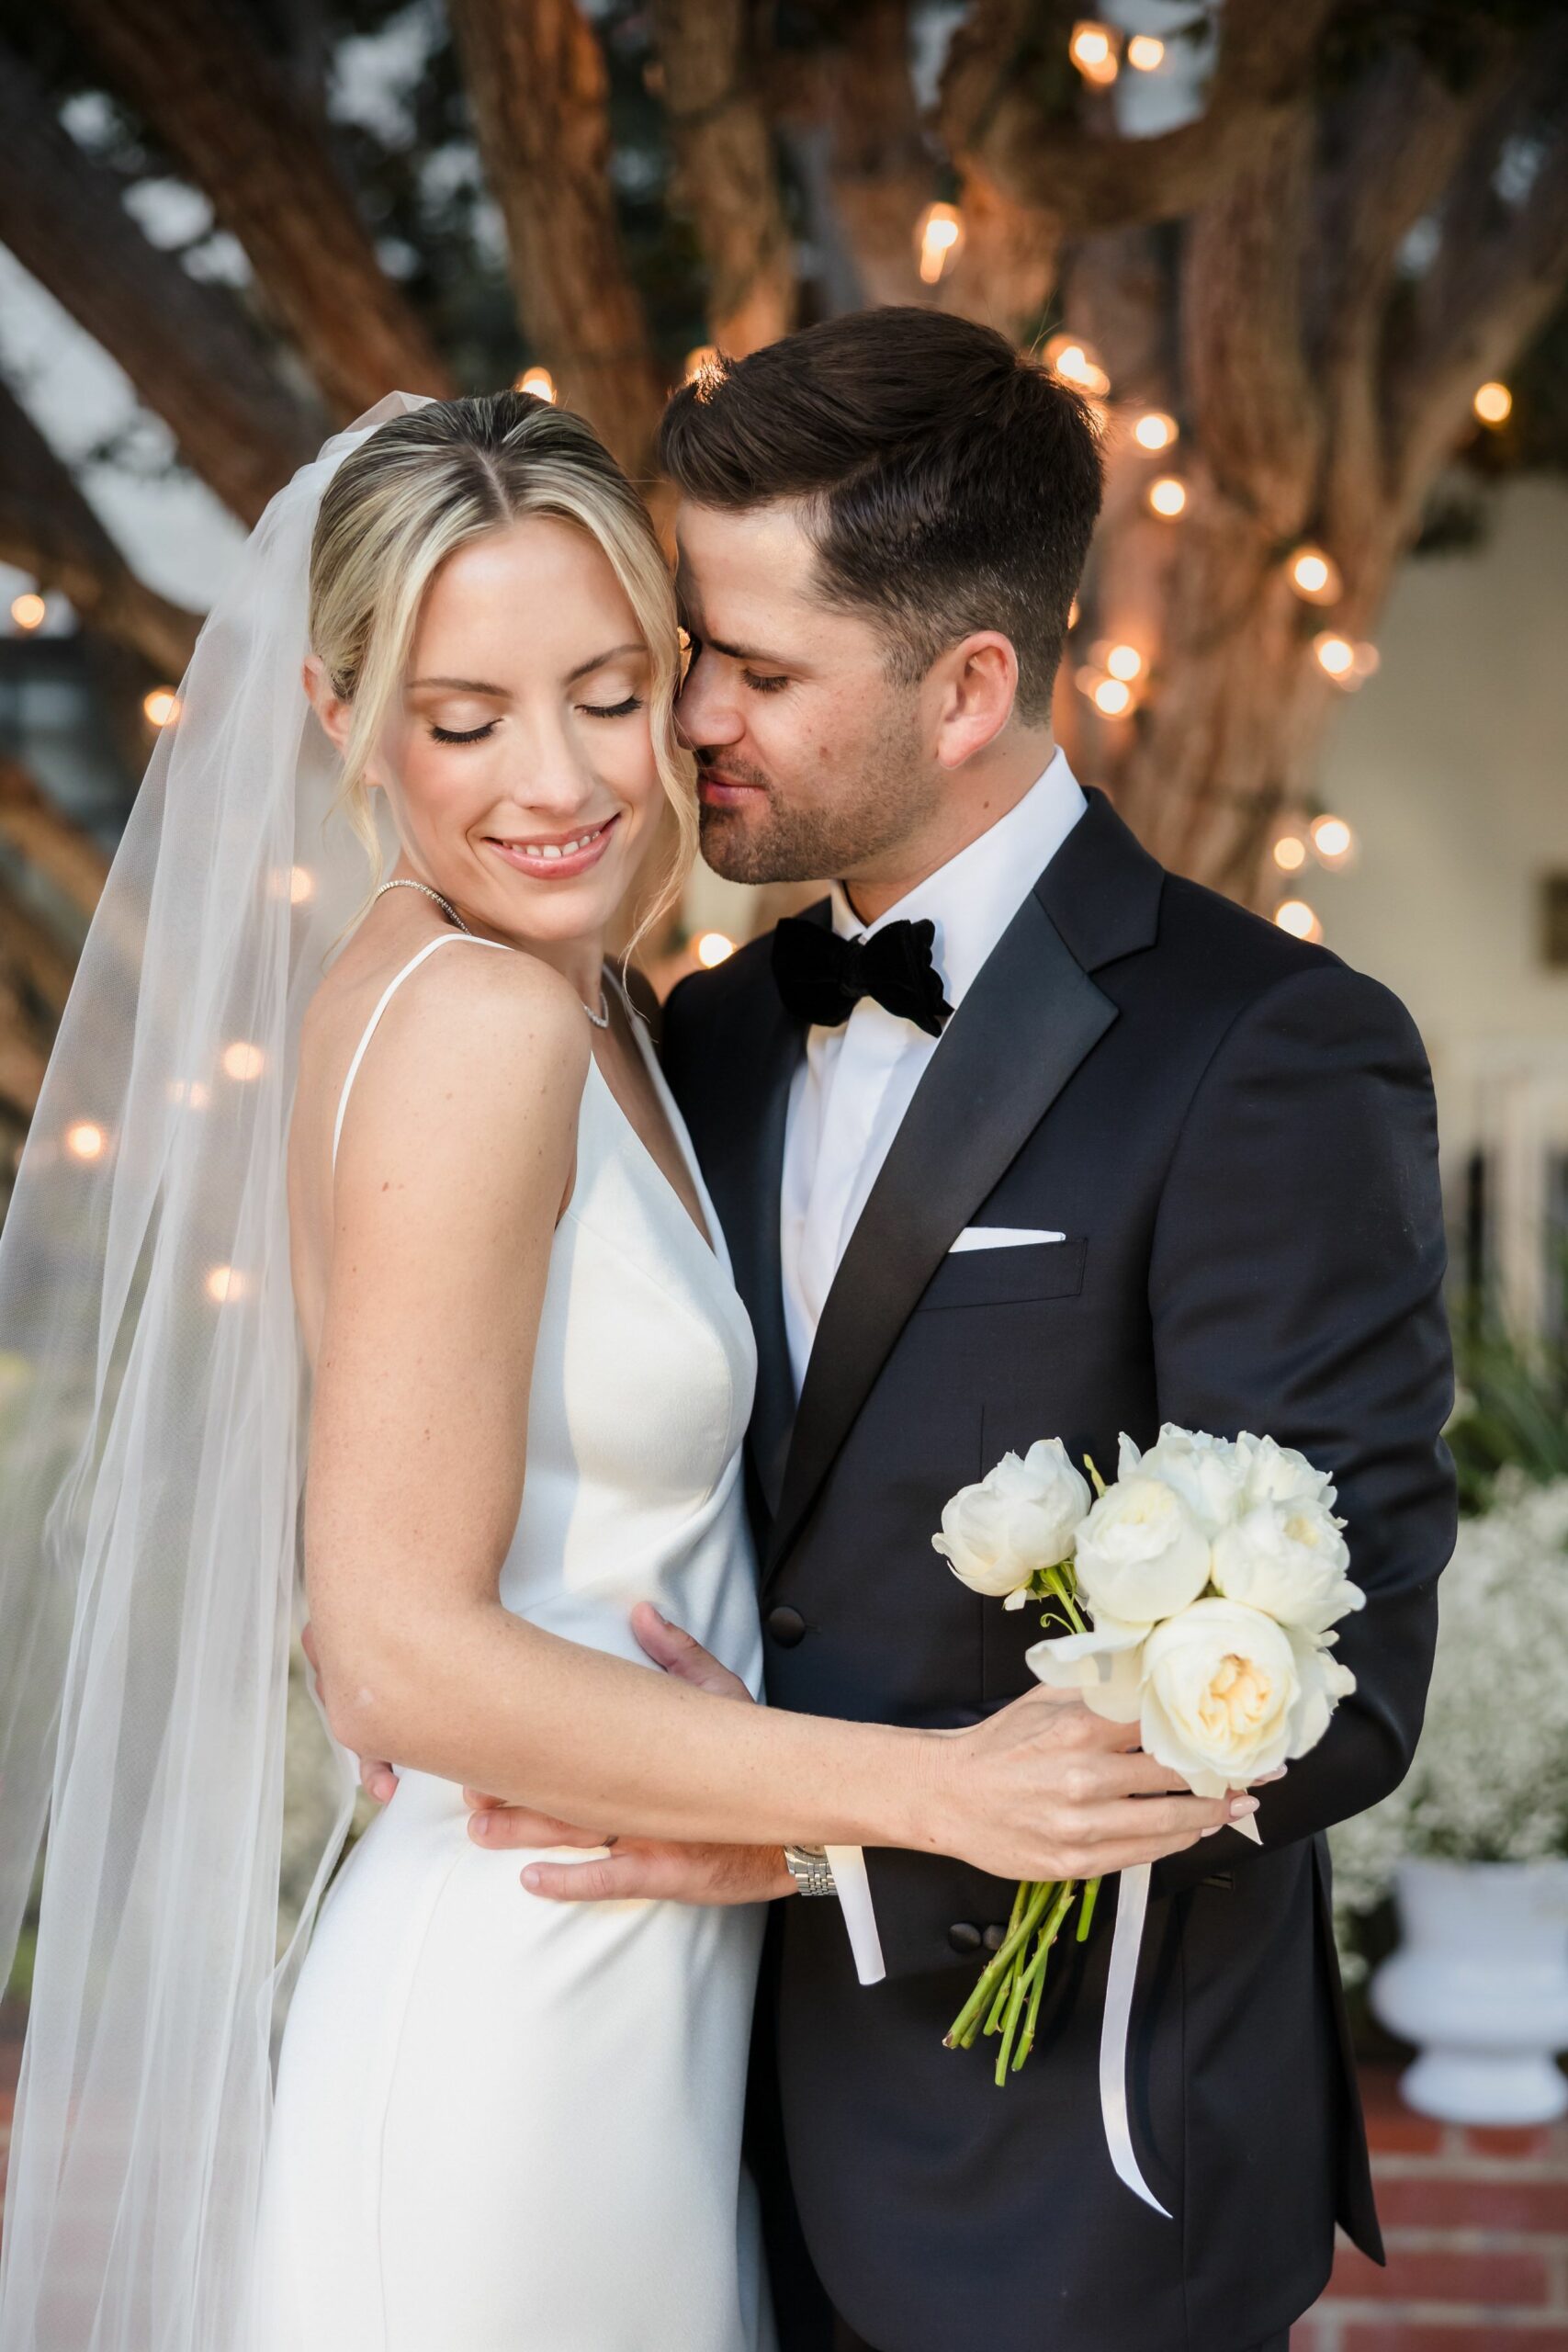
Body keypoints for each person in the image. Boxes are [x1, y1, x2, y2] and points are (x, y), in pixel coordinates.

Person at [0, 386, 1242, 2352]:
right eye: (462, 716)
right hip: (513, 2004)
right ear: (345, 724)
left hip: (634, 1988)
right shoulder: (476, 1020)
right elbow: (396, 1649)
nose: (558, 778)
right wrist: (932, 1793)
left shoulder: (590, 1007)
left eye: (602, 688)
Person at [459, 311, 1458, 2352]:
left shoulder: (1267, 1052)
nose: (683, 713)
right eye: (686, 643)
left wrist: (807, 1830)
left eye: (752, 665)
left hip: (1066, 2182)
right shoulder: (692, 1036)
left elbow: (1330, 1683)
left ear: (970, 682)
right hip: (669, 2132)